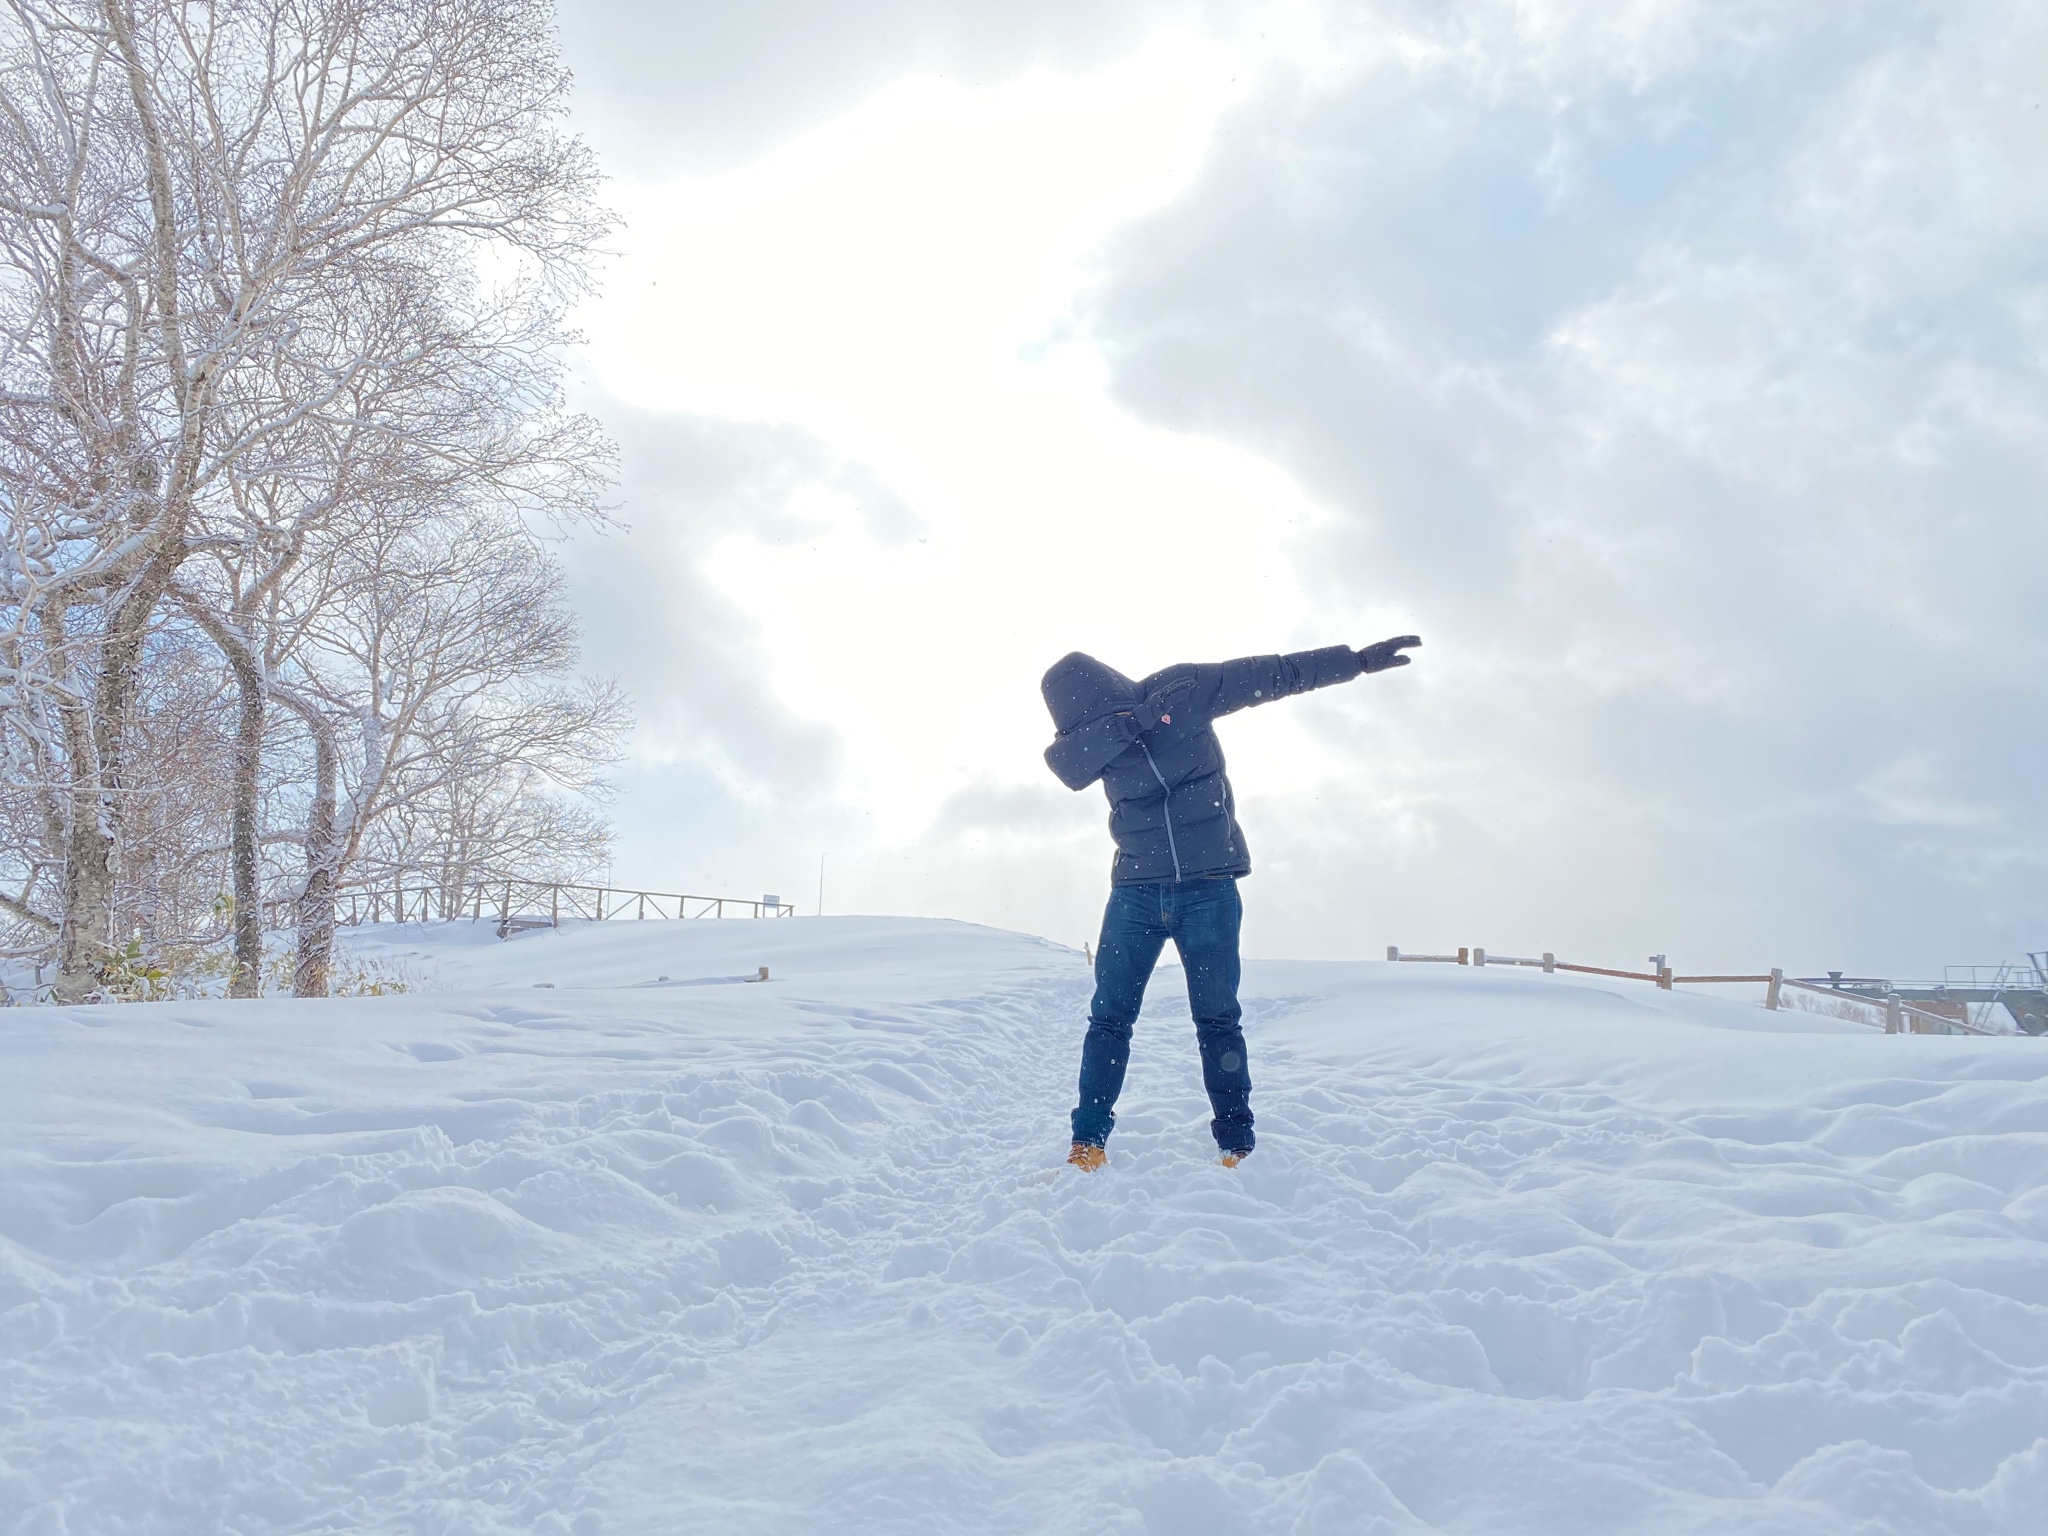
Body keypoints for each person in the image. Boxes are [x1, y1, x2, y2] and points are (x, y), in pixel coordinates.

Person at [1040, 635, 1422, 1170]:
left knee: (1218, 1019)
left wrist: (1352, 663)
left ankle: (1236, 1144)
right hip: (1135, 894)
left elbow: (1276, 673)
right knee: (1109, 1019)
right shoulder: (1092, 746)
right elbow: (1068, 766)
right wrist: (1128, 725)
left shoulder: (1182, 692)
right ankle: (1088, 1140)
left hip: (1209, 888)